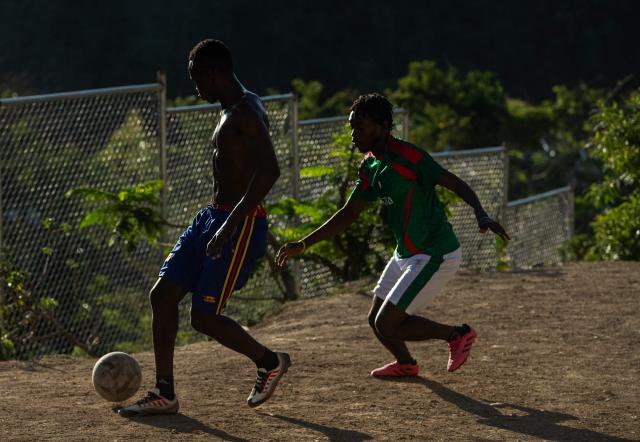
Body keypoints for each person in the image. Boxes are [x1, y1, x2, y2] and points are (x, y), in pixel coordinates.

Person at [276, 93, 510, 378]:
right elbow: (349, 213)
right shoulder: (370, 166)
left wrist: (480, 213)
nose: (353, 135)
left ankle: (457, 334)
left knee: (388, 324)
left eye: (360, 127)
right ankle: (407, 364)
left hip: (435, 252)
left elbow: (455, 183)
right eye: (351, 127)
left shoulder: (410, 157)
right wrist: (304, 243)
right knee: (375, 320)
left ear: (383, 126)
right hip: (407, 253)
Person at [119, 39, 290, 416]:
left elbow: (270, 170)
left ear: (213, 74)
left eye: (197, 79)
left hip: (239, 223)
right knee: (162, 296)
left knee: (204, 318)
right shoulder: (230, 107)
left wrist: (228, 227)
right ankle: (165, 393)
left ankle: (269, 362)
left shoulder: (246, 111)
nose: (196, 88)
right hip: (211, 216)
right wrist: (217, 222)